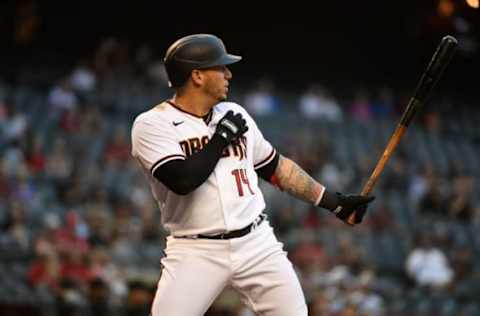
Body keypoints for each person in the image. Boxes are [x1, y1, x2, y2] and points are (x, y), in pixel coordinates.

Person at [130, 34, 375, 316]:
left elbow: (276, 168)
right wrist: (220, 139)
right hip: (195, 250)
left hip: (256, 243)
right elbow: (182, 181)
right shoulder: (153, 124)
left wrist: (335, 202)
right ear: (197, 76)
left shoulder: (234, 113)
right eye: (221, 67)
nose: (229, 74)